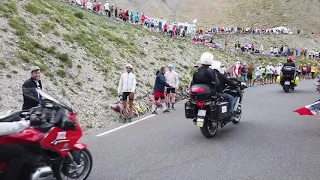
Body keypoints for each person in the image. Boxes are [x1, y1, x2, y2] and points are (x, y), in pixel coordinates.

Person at [191, 52, 237, 119]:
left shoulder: (196, 70)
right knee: (230, 98)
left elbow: (193, 82)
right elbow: (217, 83)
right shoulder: (212, 71)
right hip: (212, 94)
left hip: (198, 95)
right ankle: (231, 113)